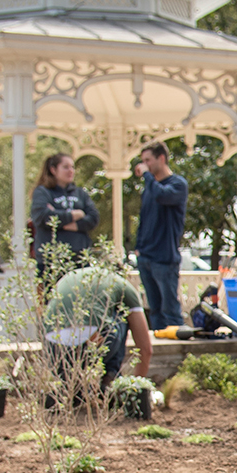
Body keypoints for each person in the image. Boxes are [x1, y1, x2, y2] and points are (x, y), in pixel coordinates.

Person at [44, 264, 153, 384]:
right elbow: (145, 348)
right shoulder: (121, 284)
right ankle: (110, 376)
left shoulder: (69, 277)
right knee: (123, 313)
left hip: (52, 348)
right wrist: (136, 386)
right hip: (92, 344)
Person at [132, 141, 189, 330]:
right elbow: (144, 219)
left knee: (170, 309)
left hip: (164, 259)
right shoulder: (149, 189)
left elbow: (162, 196)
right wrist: (138, 248)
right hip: (145, 257)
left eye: (148, 160)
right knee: (154, 309)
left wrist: (147, 176)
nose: (145, 165)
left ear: (161, 158)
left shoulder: (177, 185)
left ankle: (179, 352)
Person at [29, 153, 99, 271]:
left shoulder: (80, 193)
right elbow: (42, 217)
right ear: (53, 170)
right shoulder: (42, 192)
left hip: (79, 259)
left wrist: (60, 219)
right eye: (66, 167)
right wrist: (74, 215)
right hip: (51, 260)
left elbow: (93, 218)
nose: (70, 171)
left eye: (72, 167)